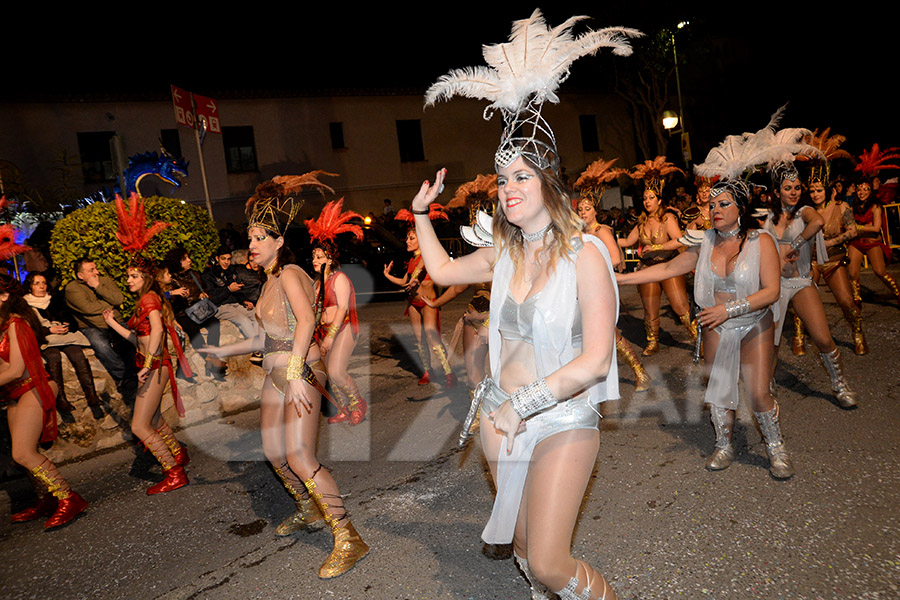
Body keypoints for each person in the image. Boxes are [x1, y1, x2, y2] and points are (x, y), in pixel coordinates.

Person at [200, 175, 368, 578]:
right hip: (275, 371)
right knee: (274, 452)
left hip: (301, 371)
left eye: (260, 237)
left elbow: (308, 320)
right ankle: (308, 507)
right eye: (250, 237)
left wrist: (295, 374)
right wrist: (224, 350)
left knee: (299, 455)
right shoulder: (268, 282)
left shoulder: (291, 272)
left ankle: (349, 538)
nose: (251, 244)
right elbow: (263, 336)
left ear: (278, 241)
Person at [618, 180, 793, 477]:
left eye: (724, 203)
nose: (715, 210)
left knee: (758, 391)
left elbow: (771, 291)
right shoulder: (705, 242)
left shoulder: (760, 240)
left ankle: (775, 447)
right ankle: (724, 444)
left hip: (753, 321)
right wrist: (618, 281)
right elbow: (667, 269)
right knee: (719, 388)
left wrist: (728, 309)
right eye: (712, 205)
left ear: (741, 206)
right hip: (715, 325)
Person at [763, 162, 857, 409]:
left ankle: (839, 384)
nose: (793, 192)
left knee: (823, 338)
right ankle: (767, 384)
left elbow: (817, 223)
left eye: (796, 187)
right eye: (787, 188)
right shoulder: (766, 218)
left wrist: (796, 243)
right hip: (774, 285)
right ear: (777, 191)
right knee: (771, 343)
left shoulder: (804, 211)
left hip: (801, 280)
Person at [2, 274, 88, 528]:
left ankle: (68, 498)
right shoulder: (4, 324)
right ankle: (47, 499)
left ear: (5, 296)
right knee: (24, 453)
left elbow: (16, 369)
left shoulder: (16, 324)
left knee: (22, 452)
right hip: (15, 392)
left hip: (32, 386)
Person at [103, 259, 191, 494]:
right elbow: (137, 339)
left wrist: (148, 365)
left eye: (134, 276)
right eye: (129, 276)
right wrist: (112, 323)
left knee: (139, 426)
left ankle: (174, 473)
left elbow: (159, 330)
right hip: (151, 365)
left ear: (146, 278)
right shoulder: (146, 299)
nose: (129, 280)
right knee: (153, 420)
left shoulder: (148, 297)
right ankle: (177, 454)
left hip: (154, 366)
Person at [617, 165, 696, 355]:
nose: (647, 201)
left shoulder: (668, 218)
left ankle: (698, 338)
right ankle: (653, 342)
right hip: (648, 269)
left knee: (680, 307)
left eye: (651, 197)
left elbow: (678, 240)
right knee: (650, 310)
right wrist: (604, 239)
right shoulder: (641, 222)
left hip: (669, 266)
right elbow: (627, 241)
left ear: (659, 200)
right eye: (644, 198)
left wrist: (657, 247)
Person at [577, 195, 650, 392]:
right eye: (581, 209)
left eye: (588, 208)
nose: (583, 212)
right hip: (584, 287)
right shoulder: (579, 232)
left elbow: (616, 259)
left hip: (600, 287)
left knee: (609, 331)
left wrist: (592, 271)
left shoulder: (601, 231)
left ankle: (640, 372)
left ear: (596, 211)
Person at [305, 199, 367, 425]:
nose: (314, 260)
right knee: (330, 375)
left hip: (343, 328)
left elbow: (342, 308)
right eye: (313, 257)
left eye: (319, 257)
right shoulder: (317, 283)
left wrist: (330, 337)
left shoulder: (339, 278)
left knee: (338, 372)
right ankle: (344, 409)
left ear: (330, 259)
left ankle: (358, 404)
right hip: (323, 331)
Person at [795, 175, 866, 354]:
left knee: (846, 300)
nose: (815, 194)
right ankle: (798, 337)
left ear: (828, 190)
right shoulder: (805, 210)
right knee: (802, 297)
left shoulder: (841, 207)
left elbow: (853, 231)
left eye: (819, 190)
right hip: (810, 260)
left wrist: (829, 243)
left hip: (833, 259)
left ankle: (857, 333)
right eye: (811, 191)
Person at [383, 222, 457, 388]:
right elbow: (404, 281)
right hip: (413, 303)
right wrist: (387, 275)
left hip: (427, 303)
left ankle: (449, 373)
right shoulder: (412, 259)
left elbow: (419, 271)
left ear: (421, 240)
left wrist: (415, 277)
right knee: (419, 340)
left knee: (432, 338)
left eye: (411, 238)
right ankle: (427, 371)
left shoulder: (426, 257)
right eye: (407, 238)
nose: (407, 241)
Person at [24, 271, 102, 413]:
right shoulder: (25, 305)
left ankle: (92, 395)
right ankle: (61, 400)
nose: (41, 286)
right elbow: (28, 328)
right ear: (30, 287)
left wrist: (66, 325)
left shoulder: (54, 300)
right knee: (53, 356)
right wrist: (50, 330)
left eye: (43, 283)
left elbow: (70, 318)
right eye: (36, 284)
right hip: (44, 338)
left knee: (77, 352)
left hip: (64, 336)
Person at [64, 257, 137, 403]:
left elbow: (118, 299)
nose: (96, 272)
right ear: (80, 275)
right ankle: (123, 377)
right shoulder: (72, 288)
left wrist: (98, 286)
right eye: (91, 271)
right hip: (92, 326)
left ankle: (135, 374)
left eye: (95, 268)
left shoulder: (105, 281)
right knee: (101, 345)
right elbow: (88, 308)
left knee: (131, 340)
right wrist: (108, 305)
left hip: (115, 321)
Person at [163, 246, 227, 381]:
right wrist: (173, 293)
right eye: (185, 259)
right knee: (193, 330)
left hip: (198, 310)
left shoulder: (194, 274)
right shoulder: (171, 279)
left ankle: (212, 358)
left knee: (214, 323)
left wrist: (203, 294)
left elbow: (203, 289)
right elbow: (160, 296)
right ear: (177, 262)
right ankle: (212, 362)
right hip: (182, 313)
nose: (189, 260)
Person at [848, 179, 899, 308]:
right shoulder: (853, 207)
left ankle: (898, 294)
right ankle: (856, 300)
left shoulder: (875, 206)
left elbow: (876, 228)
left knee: (879, 271)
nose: (862, 192)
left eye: (865, 190)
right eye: (859, 189)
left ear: (871, 192)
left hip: (872, 243)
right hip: (856, 242)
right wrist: (865, 226)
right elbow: (848, 225)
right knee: (853, 273)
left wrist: (858, 227)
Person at [202, 246, 259, 341]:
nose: (226, 262)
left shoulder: (230, 271)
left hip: (235, 304)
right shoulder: (208, 275)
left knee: (256, 315)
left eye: (228, 259)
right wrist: (228, 289)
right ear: (217, 258)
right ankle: (257, 348)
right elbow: (212, 298)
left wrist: (244, 301)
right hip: (221, 307)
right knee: (243, 320)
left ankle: (259, 344)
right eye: (223, 259)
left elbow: (238, 292)